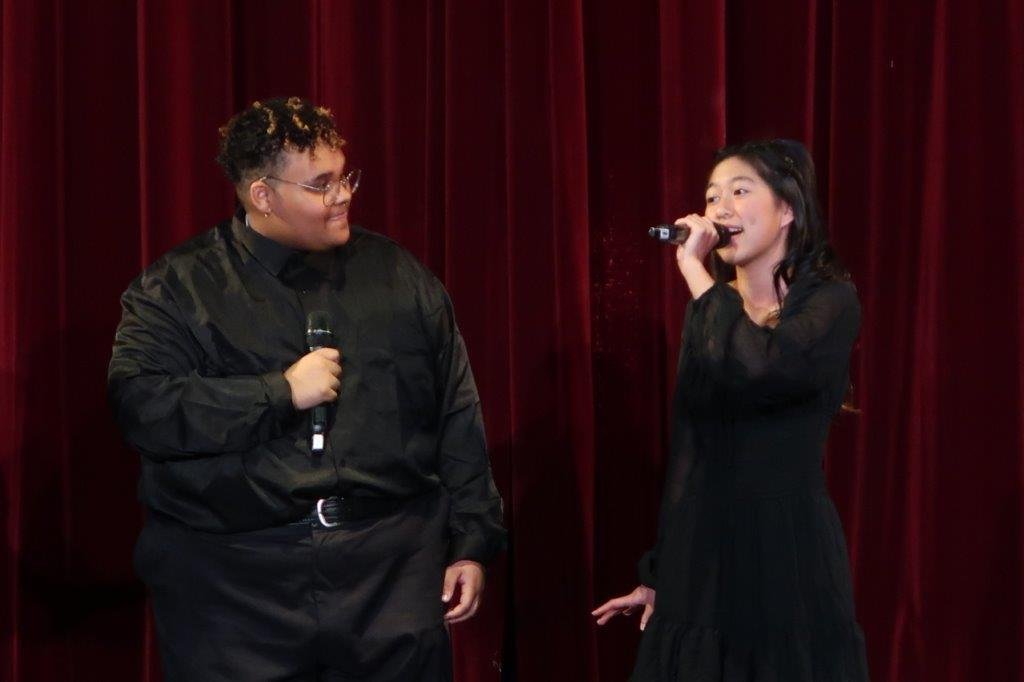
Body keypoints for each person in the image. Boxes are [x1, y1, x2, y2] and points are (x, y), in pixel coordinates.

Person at [108, 97, 505, 682]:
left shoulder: (398, 275)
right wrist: (278, 393)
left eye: (345, 176)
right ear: (262, 196)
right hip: (235, 589)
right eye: (322, 184)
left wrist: (472, 539)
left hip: (388, 577)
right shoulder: (176, 289)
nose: (343, 194)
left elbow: (455, 410)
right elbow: (143, 408)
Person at [592, 139, 869, 680]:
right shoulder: (710, 316)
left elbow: (765, 368)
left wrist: (697, 276)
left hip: (785, 550)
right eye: (712, 196)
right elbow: (691, 453)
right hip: (704, 555)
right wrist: (659, 574)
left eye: (740, 192)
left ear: (787, 209)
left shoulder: (829, 303)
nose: (719, 210)